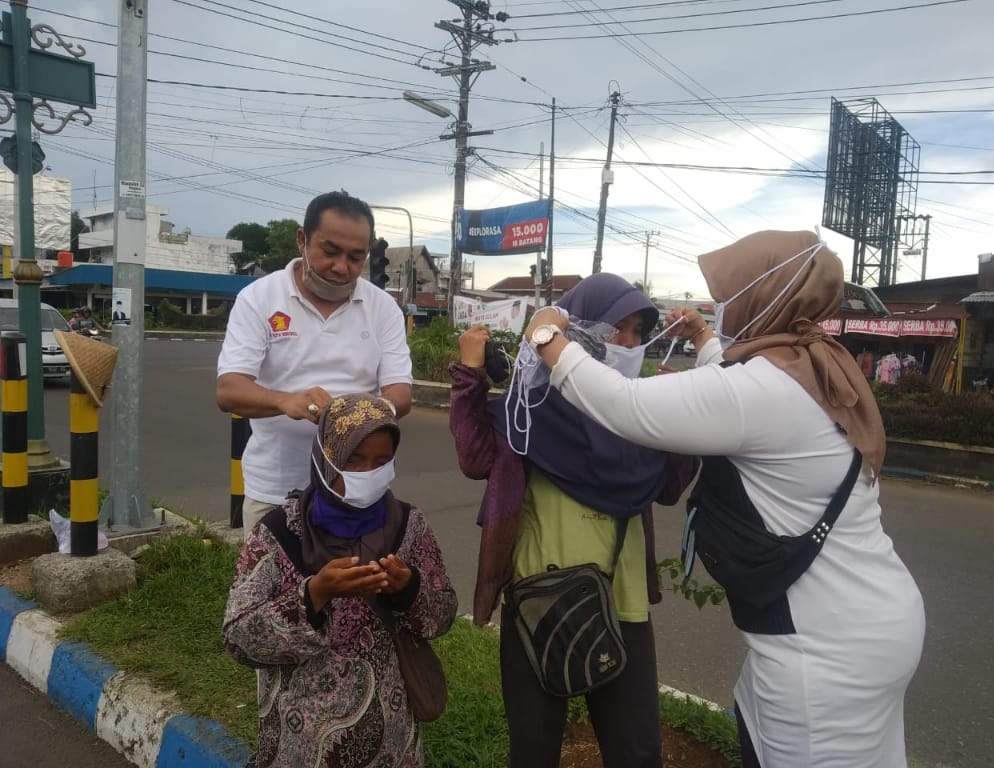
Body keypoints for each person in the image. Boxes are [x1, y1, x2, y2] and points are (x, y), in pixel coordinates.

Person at [523, 231, 925, 768]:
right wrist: (707, 338)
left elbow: (624, 404)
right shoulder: (810, 364)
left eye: (730, 295)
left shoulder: (761, 388)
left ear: (765, 297)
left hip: (823, 649)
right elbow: (737, 390)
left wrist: (548, 334)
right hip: (870, 618)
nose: (722, 305)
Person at [450, 272, 699, 768]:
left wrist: (685, 412)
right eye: (617, 329)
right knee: (534, 752)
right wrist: (468, 374)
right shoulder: (530, 408)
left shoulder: (641, 411)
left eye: (637, 332)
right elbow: (476, 459)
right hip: (538, 603)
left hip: (620, 602)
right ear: (578, 328)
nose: (628, 344)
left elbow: (670, 488)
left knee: (637, 752)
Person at [223, 393, 458, 768]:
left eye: (381, 462)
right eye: (354, 460)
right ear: (326, 458)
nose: (367, 473)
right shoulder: (281, 533)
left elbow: (442, 614)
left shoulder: (408, 526)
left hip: (393, 747)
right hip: (302, 747)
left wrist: (409, 588)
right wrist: (314, 594)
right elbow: (239, 638)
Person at [216, 191, 414, 535]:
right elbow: (229, 390)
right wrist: (286, 401)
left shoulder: (382, 307)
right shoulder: (259, 298)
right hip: (275, 489)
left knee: (355, 585)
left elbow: (401, 394)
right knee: (270, 587)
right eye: (330, 251)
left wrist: (366, 411)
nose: (342, 267)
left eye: (356, 257)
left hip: (356, 490)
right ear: (302, 240)